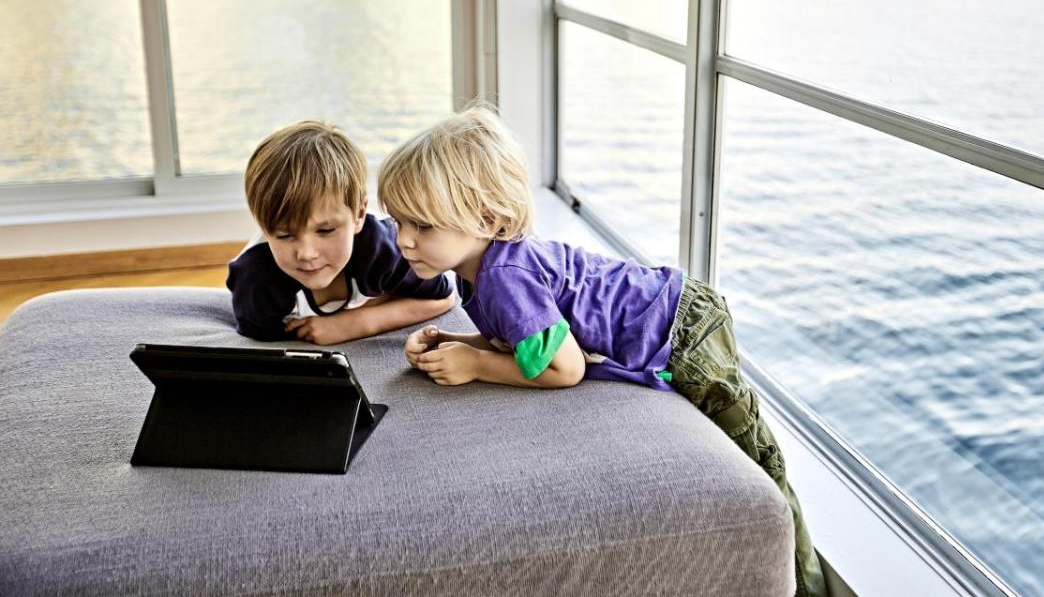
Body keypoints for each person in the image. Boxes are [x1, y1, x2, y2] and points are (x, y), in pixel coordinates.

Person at [377, 106, 827, 597]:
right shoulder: (480, 271)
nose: (403, 240)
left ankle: (806, 588)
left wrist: (477, 364)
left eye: (422, 226)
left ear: (485, 218)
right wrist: (458, 344)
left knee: (759, 459)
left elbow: (564, 368)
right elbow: (524, 338)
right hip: (674, 310)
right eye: (397, 222)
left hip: (685, 328)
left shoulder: (506, 276)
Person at [227, 120, 455, 344]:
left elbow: (443, 298)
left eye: (325, 230)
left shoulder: (384, 248)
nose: (306, 254)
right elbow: (258, 336)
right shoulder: (256, 280)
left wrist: (356, 323)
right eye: (285, 235)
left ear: (359, 213)